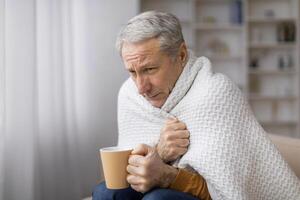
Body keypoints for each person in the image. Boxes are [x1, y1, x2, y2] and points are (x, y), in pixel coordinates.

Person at [93, 11, 300, 200]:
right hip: (152, 187)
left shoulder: (215, 91)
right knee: (105, 192)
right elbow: (126, 172)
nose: (140, 87)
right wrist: (161, 153)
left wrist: (166, 175)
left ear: (181, 55)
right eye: (132, 72)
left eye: (150, 69)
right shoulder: (129, 94)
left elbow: (228, 190)